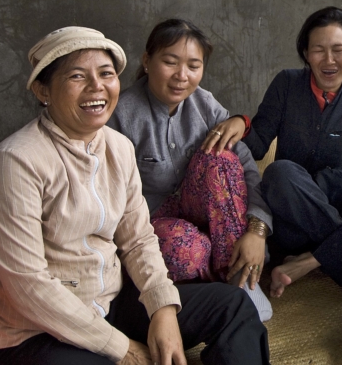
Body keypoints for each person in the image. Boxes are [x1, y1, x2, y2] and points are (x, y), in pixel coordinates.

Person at [0, 27, 270, 365]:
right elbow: (28, 286)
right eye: (77, 76)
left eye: (106, 74)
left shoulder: (118, 147)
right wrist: (123, 348)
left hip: (108, 305)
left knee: (231, 306)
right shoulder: (15, 162)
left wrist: (162, 308)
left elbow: (138, 239)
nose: (96, 86)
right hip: (34, 330)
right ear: (43, 90)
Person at [206, 7, 342, 298]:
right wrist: (241, 122)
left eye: (338, 50)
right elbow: (259, 143)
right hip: (293, 206)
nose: (329, 60)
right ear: (306, 54)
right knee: (279, 171)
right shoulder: (287, 84)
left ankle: (315, 258)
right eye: (318, 50)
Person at [106, 19, 273, 322]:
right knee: (183, 250)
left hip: (209, 213)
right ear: (147, 61)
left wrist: (257, 229)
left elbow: (246, 167)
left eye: (193, 66)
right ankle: (219, 276)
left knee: (222, 158)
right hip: (151, 222)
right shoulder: (121, 114)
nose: (182, 76)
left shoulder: (204, 104)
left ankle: (240, 279)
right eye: (170, 62)